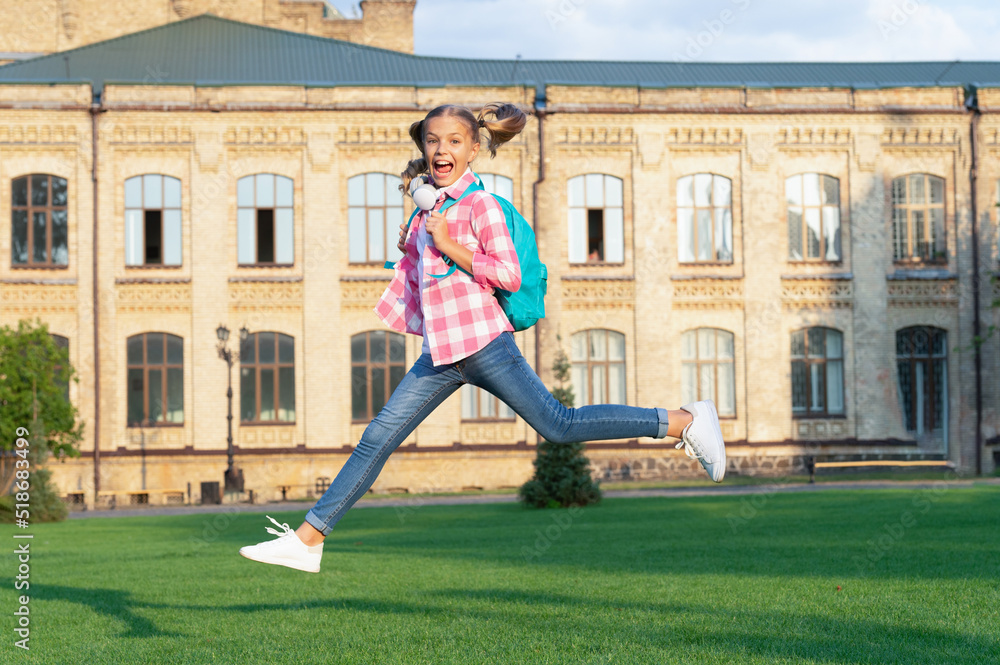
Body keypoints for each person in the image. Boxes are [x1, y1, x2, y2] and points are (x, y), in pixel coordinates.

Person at [239, 102, 727, 573]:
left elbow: (509, 275)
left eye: (453, 140)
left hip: (485, 345)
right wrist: (415, 238)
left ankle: (684, 420)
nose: (441, 148)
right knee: (378, 438)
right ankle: (307, 542)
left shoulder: (481, 206)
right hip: (442, 354)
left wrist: (449, 244)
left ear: (473, 149)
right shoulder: (429, 208)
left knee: (559, 425)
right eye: (432, 141)